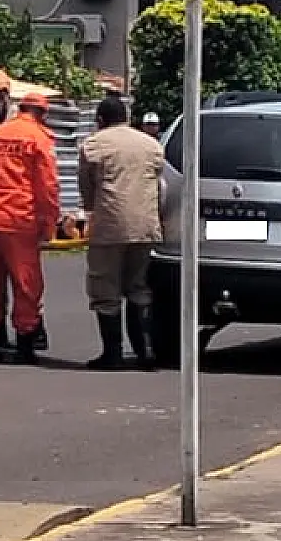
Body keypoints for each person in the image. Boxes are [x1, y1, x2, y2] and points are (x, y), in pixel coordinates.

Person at [78, 96, 164, 370]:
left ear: (99, 120)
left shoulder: (93, 145)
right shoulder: (151, 145)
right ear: (127, 117)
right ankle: (145, 352)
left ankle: (113, 354)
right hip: (146, 226)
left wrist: (89, 213)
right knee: (138, 286)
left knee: (105, 289)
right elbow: (160, 184)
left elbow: (87, 190)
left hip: (110, 227)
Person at [0, 91, 60, 364]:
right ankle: (25, 339)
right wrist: (49, 223)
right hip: (20, 217)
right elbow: (47, 186)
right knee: (27, 282)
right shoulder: (38, 138)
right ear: (42, 113)